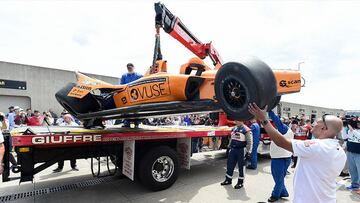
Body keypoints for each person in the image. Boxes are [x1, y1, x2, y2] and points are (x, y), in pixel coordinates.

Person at [248, 103, 346, 203]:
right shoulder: (340, 151)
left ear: (324, 128)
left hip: (309, 200)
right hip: (327, 199)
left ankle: (276, 194)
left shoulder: (317, 147)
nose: (313, 124)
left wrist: (264, 119)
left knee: (278, 178)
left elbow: (281, 142)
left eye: (317, 122)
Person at [267, 111, 294, 202]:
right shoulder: (287, 131)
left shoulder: (284, 129)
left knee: (278, 178)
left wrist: (269, 111)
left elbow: (276, 120)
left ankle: (275, 195)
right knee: (280, 177)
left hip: (279, 158)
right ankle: (284, 192)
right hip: (284, 157)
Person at [221, 120, 253, 189]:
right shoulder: (234, 128)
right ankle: (228, 180)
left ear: (242, 120)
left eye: (238, 120)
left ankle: (240, 182)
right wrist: (229, 147)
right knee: (230, 165)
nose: (236, 121)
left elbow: (249, 142)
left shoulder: (246, 129)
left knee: (241, 167)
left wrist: (246, 150)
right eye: (236, 120)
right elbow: (232, 138)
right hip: (233, 149)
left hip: (241, 150)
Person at [120, 63, 142, 127]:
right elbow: (121, 85)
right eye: (128, 68)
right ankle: (126, 123)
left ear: (133, 67)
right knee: (126, 109)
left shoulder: (139, 76)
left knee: (136, 109)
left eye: (130, 67)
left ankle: (136, 123)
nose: (129, 69)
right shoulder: (124, 76)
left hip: (137, 96)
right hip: (127, 96)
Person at [345, 120, 360, 194]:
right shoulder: (351, 130)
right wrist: (343, 128)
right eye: (357, 123)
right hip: (350, 152)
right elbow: (345, 137)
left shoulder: (354, 131)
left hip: (359, 153)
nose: (358, 124)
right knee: (352, 170)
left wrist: (352, 130)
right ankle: (354, 185)